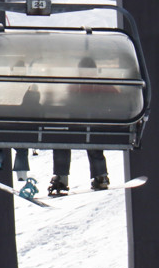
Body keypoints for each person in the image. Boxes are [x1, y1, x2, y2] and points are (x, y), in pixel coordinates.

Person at [48, 56, 113, 196]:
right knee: (92, 144)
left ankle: (62, 178)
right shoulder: (103, 85)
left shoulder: (75, 86)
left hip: (82, 125)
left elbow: (67, 103)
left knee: (64, 142)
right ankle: (100, 176)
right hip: (93, 126)